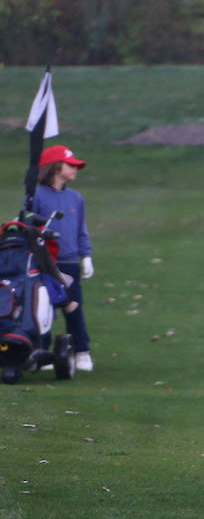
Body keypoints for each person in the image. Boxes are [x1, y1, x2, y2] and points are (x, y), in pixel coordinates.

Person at [32, 145, 95, 371]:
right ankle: (42, 353)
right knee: (43, 310)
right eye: (70, 165)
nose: (75, 169)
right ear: (56, 168)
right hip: (43, 263)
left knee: (73, 308)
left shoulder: (75, 198)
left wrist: (85, 256)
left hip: (69, 263)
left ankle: (81, 351)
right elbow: (27, 226)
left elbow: (81, 229)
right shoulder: (37, 196)